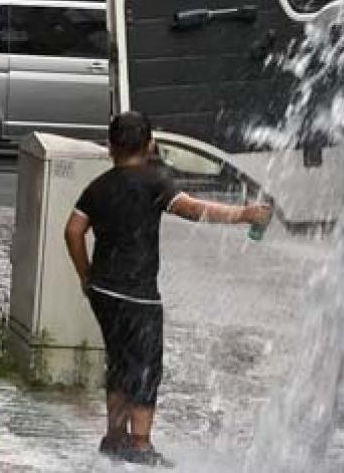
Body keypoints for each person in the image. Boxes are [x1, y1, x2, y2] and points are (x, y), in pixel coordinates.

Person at [63, 111, 272, 467]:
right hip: (137, 294)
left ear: (110, 146)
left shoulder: (98, 186)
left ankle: (115, 438)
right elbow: (191, 209)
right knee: (145, 365)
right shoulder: (155, 180)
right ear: (150, 145)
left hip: (103, 291)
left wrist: (86, 277)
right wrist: (244, 214)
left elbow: (72, 230)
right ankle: (141, 444)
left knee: (120, 361)